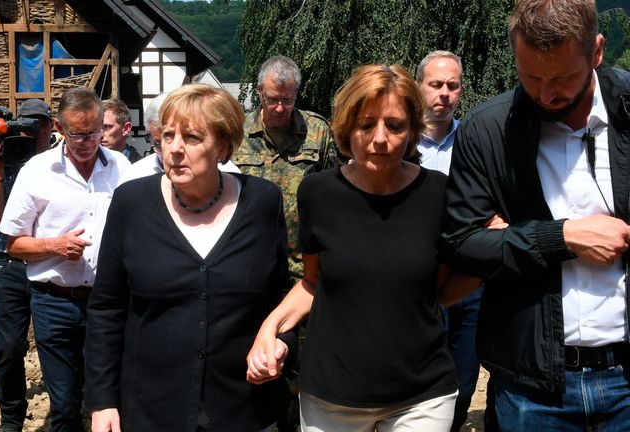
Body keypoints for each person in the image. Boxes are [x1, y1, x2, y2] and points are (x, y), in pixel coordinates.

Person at [247, 64, 482, 432]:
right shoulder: (317, 193)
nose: (380, 139)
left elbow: (440, 291)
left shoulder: (438, 193)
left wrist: (492, 252)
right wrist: (269, 328)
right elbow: (312, 282)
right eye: (366, 124)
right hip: (331, 396)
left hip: (421, 395)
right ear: (345, 128)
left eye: (395, 125)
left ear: (412, 132)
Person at [440, 1, 630, 430]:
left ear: (597, 52)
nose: (546, 94)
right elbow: (462, 245)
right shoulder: (487, 130)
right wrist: (560, 237)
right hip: (533, 391)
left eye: (563, 78)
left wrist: (510, 236)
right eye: (530, 78)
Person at [85, 84, 295, 431]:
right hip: (152, 408)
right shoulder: (130, 204)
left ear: (224, 147)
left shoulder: (262, 203)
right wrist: (103, 401)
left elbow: (279, 296)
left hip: (245, 407)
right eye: (168, 136)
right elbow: (107, 308)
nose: (175, 149)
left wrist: (281, 344)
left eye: (193, 138)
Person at [0, 87, 131, 431]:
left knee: (110, 402)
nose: (87, 142)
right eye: (76, 134)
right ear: (58, 126)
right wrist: (55, 246)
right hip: (53, 303)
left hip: (108, 303)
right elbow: (13, 244)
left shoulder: (122, 168)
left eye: (94, 133)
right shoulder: (37, 171)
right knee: (65, 405)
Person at [0, 99, 54, 430]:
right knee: (8, 348)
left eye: (39, 126)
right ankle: (11, 418)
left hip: (51, 261)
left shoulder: (60, 164)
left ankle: (65, 405)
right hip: (8, 263)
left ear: (51, 129)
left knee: (56, 342)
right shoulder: (4, 160)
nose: (31, 133)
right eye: (26, 126)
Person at [415, 50, 479, 432]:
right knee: (423, 371)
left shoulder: (475, 140)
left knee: (466, 371)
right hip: (419, 277)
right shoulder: (399, 141)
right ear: (419, 86)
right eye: (435, 84)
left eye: (452, 86)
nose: (444, 93)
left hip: (469, 275)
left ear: (461, 91)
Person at [232, 55, 340, 280]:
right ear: (260, 91)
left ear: (296, 95)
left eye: (287, 100)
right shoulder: (238, 133)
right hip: (251, 261)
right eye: (272, 100)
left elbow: (334, 192)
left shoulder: (317, 131)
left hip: (304, 265)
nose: (279, 108)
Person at [119, 91, 239, 185]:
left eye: (189, 138)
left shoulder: (230, 175)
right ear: (148, 134)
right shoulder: (134, 176)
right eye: (158, 142)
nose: (172, 149)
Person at [101, 98, 141, 163]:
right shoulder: (86, 165)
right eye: (96, 128)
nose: (100, 134)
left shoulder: (142, 169)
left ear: (126, 129)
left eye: (107, 127)